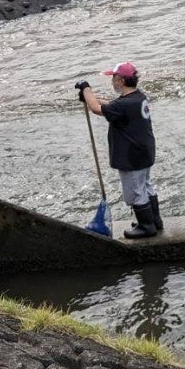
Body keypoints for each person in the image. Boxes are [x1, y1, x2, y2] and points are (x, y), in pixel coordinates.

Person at [76, 61, 161, 239]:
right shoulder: (138, 97)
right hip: (144, 152)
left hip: (131, 156)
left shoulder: (123, 105)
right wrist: (92, 97)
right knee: (146, 186)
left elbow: (97, 109)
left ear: (121, 80)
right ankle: (154, 220)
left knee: (135, 192)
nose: (112, 81)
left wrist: (86, 89)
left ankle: (147, 227)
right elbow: (111, 105)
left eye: (113, 78)